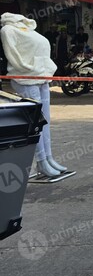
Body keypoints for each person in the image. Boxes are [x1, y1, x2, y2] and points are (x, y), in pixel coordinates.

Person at [1, 13, 70, 177]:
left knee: (45, 120)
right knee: (36, 123)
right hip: (26, 78)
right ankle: (41, 162)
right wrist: (26, 67)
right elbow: (13, 54)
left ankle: (49, 158)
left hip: (41, 75)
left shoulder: (27, 27)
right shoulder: (8, 29)